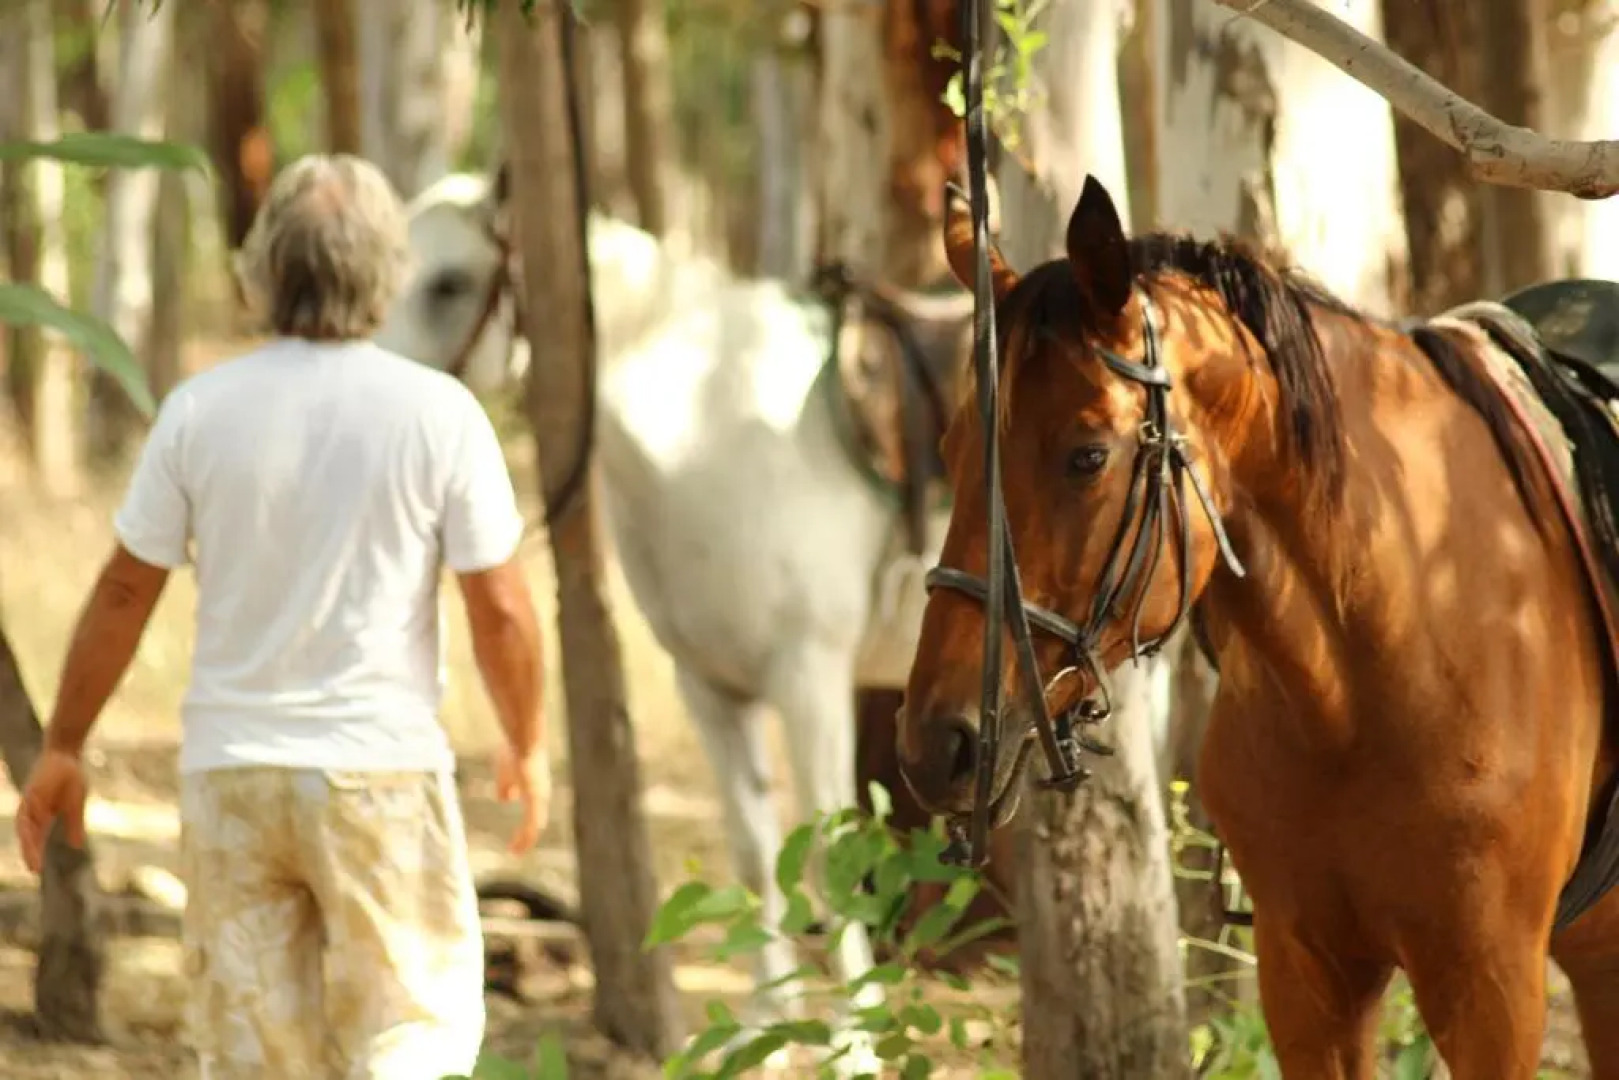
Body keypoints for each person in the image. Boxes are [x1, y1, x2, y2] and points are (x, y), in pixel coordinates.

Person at [13, 153, 550, 1080]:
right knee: (414, 1032)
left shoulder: (198, 413)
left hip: (233, 780)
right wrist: (524, 740)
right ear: (390, 273)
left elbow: (122, 592)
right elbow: (499, 607)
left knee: (255, 1057)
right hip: (375, 778)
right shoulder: (439, 416)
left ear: (262, 270)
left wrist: (64, 744)